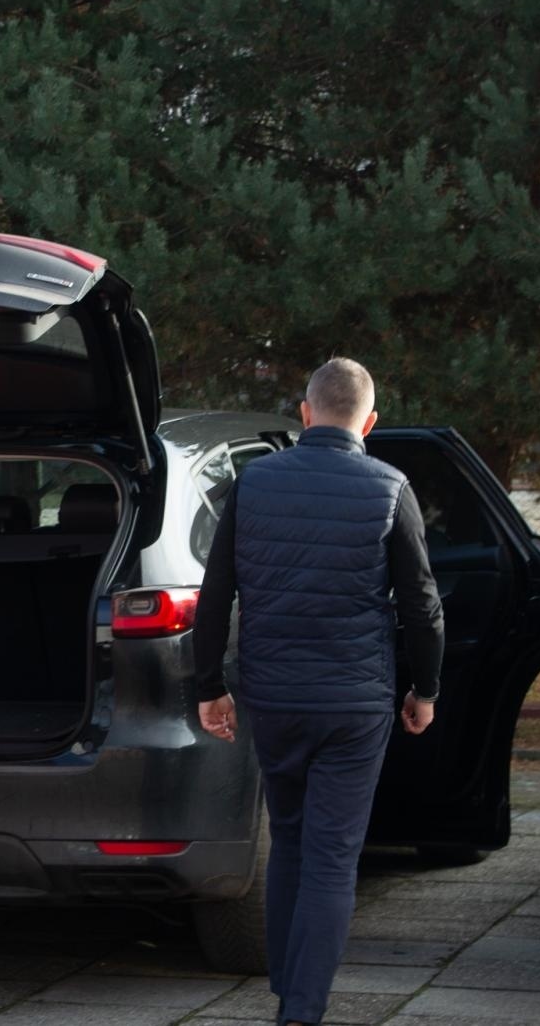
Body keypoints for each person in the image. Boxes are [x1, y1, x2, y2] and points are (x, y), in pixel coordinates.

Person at [193, 358, 444, 1026]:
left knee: (292, 842)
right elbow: (422, 603)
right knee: (333, 858)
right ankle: (300, 1011)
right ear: (370, 422)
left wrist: (209, 685)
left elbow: (217, 594)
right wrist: (426, 687)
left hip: (273, 698)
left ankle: (287, 992)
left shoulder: (254, 481)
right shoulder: (390, 485)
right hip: (357, 704)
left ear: (304, 413)